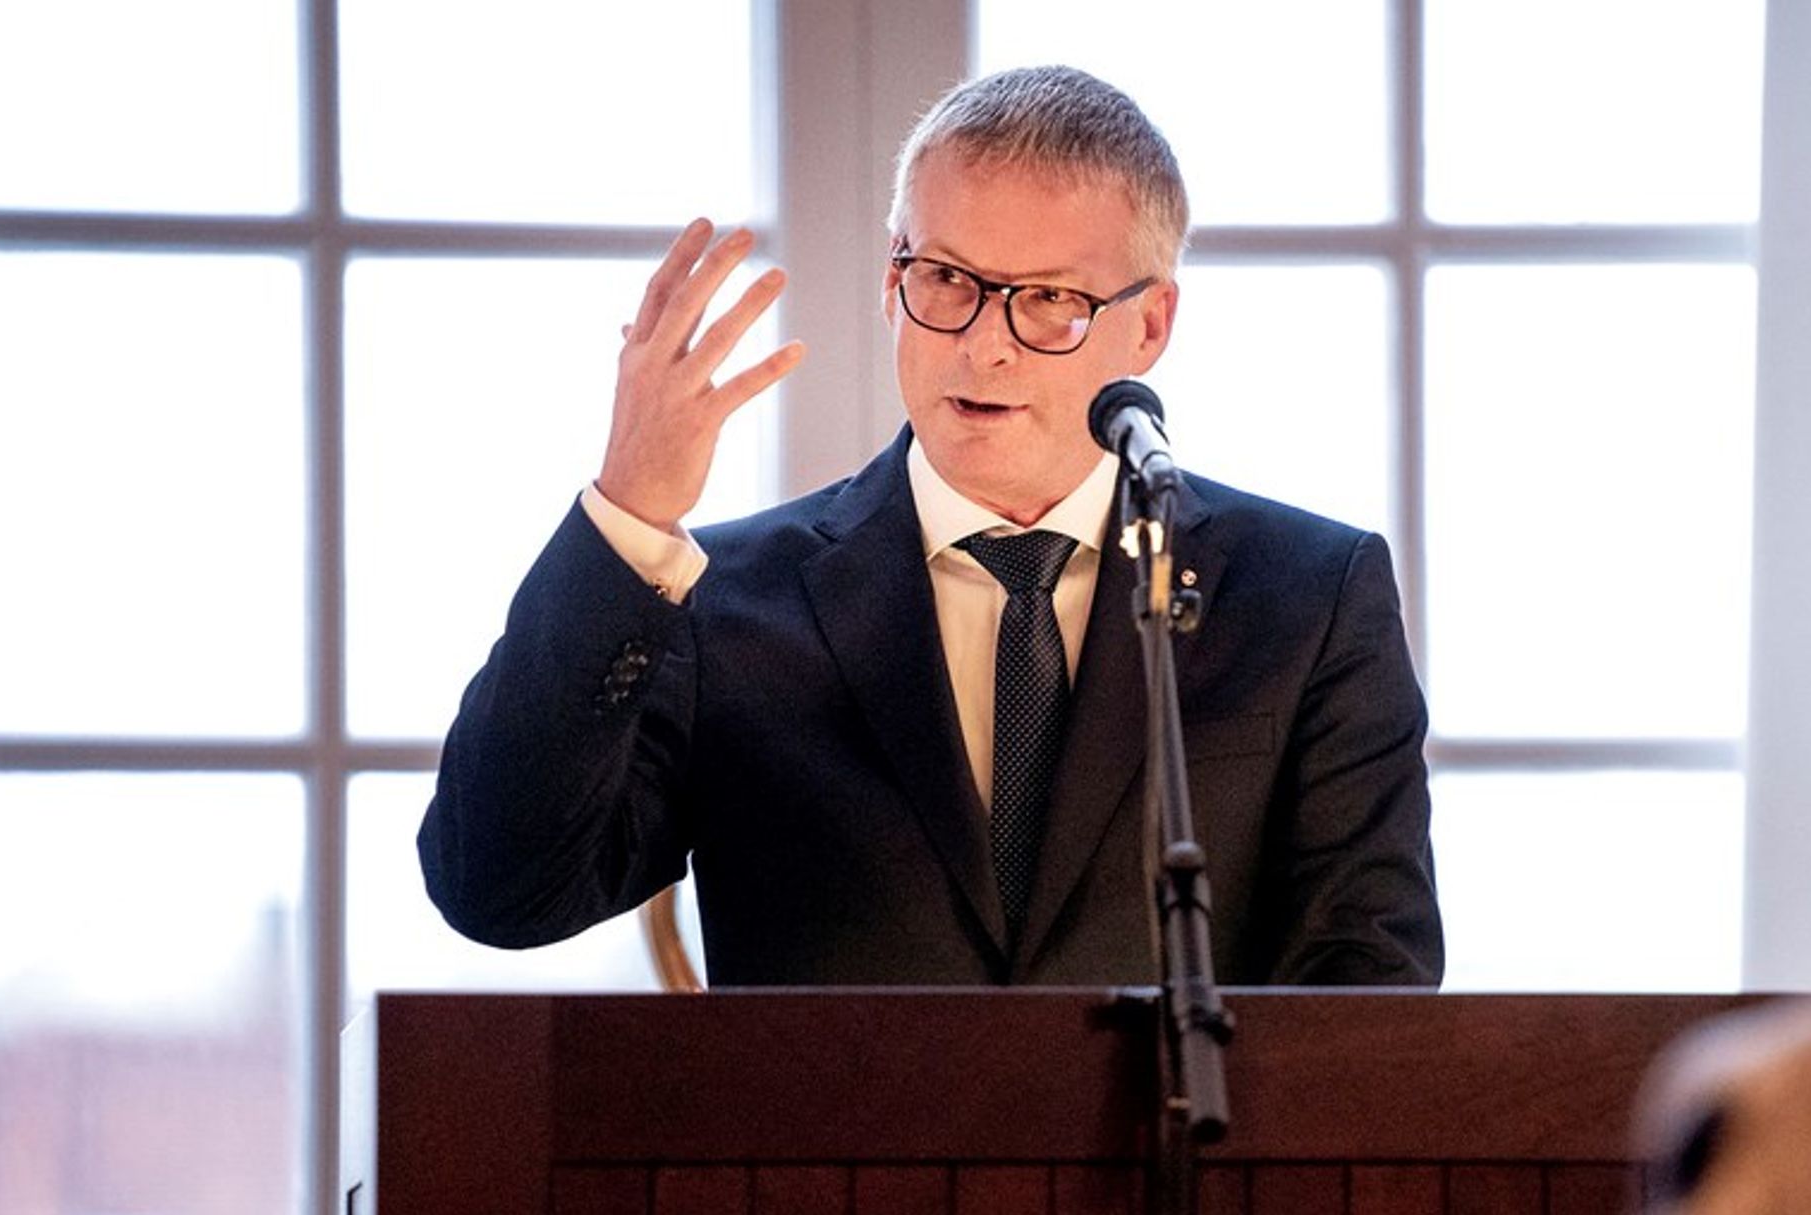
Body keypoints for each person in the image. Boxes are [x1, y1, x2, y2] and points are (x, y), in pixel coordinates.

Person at [419, 66, 1443, 988]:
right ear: (889, 279)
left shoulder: (1309, 596)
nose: (983, 347)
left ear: (1151, 323)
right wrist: (628, 515)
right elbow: (499, 887)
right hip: (829, 1195)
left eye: (1046, 300)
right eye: (947, 279)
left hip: (1178, 1192)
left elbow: (1368, 989)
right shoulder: (726, 599)